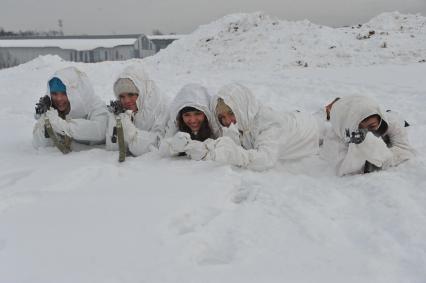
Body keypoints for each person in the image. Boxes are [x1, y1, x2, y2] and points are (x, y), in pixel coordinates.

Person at [190, 83, 319, 171]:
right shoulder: (243, 120)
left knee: (320, 121)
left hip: (309, 130)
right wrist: (200, 148)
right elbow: (222, 141)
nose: (227, 121)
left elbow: (266, 159)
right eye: (222, 117)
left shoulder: (269, 124)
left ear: (241, 108)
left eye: (231, 113)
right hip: (291, 117)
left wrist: (238, 156)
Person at [321, 95, 415, 176]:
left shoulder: (391, 122)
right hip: (340, 119)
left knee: (395, 117)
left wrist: (380, 161)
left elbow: (405, 150)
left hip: (389, 116)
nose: (367, 132)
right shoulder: (334, 137)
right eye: (360, 128)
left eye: (372, 126)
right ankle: (332, 108)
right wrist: (359, 152)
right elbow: (341, 168)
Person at [33, 66, 108, 151]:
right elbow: (41, 145)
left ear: (75, 93)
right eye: (54, 93)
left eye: (64, 93)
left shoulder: (95, 106)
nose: (59, 98)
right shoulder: (53, 111)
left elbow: (99, 131)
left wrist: (61, 125)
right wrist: (45, 119)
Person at [105, 64, 167, 156]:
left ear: (141, 92)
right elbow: (113, 149)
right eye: (122, 96)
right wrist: (115, 122)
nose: (126, 101)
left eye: (131, 95)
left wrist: (133, 134)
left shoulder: (160, 107)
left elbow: (158, 147)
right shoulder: (122, 112)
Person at [159, 83, 218, 160]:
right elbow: (163, 149)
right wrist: (173, 146)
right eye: (187, 115)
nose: (193, 120)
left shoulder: (214, 126)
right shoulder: (177, 125)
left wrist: (206, 149)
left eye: (198, 114)